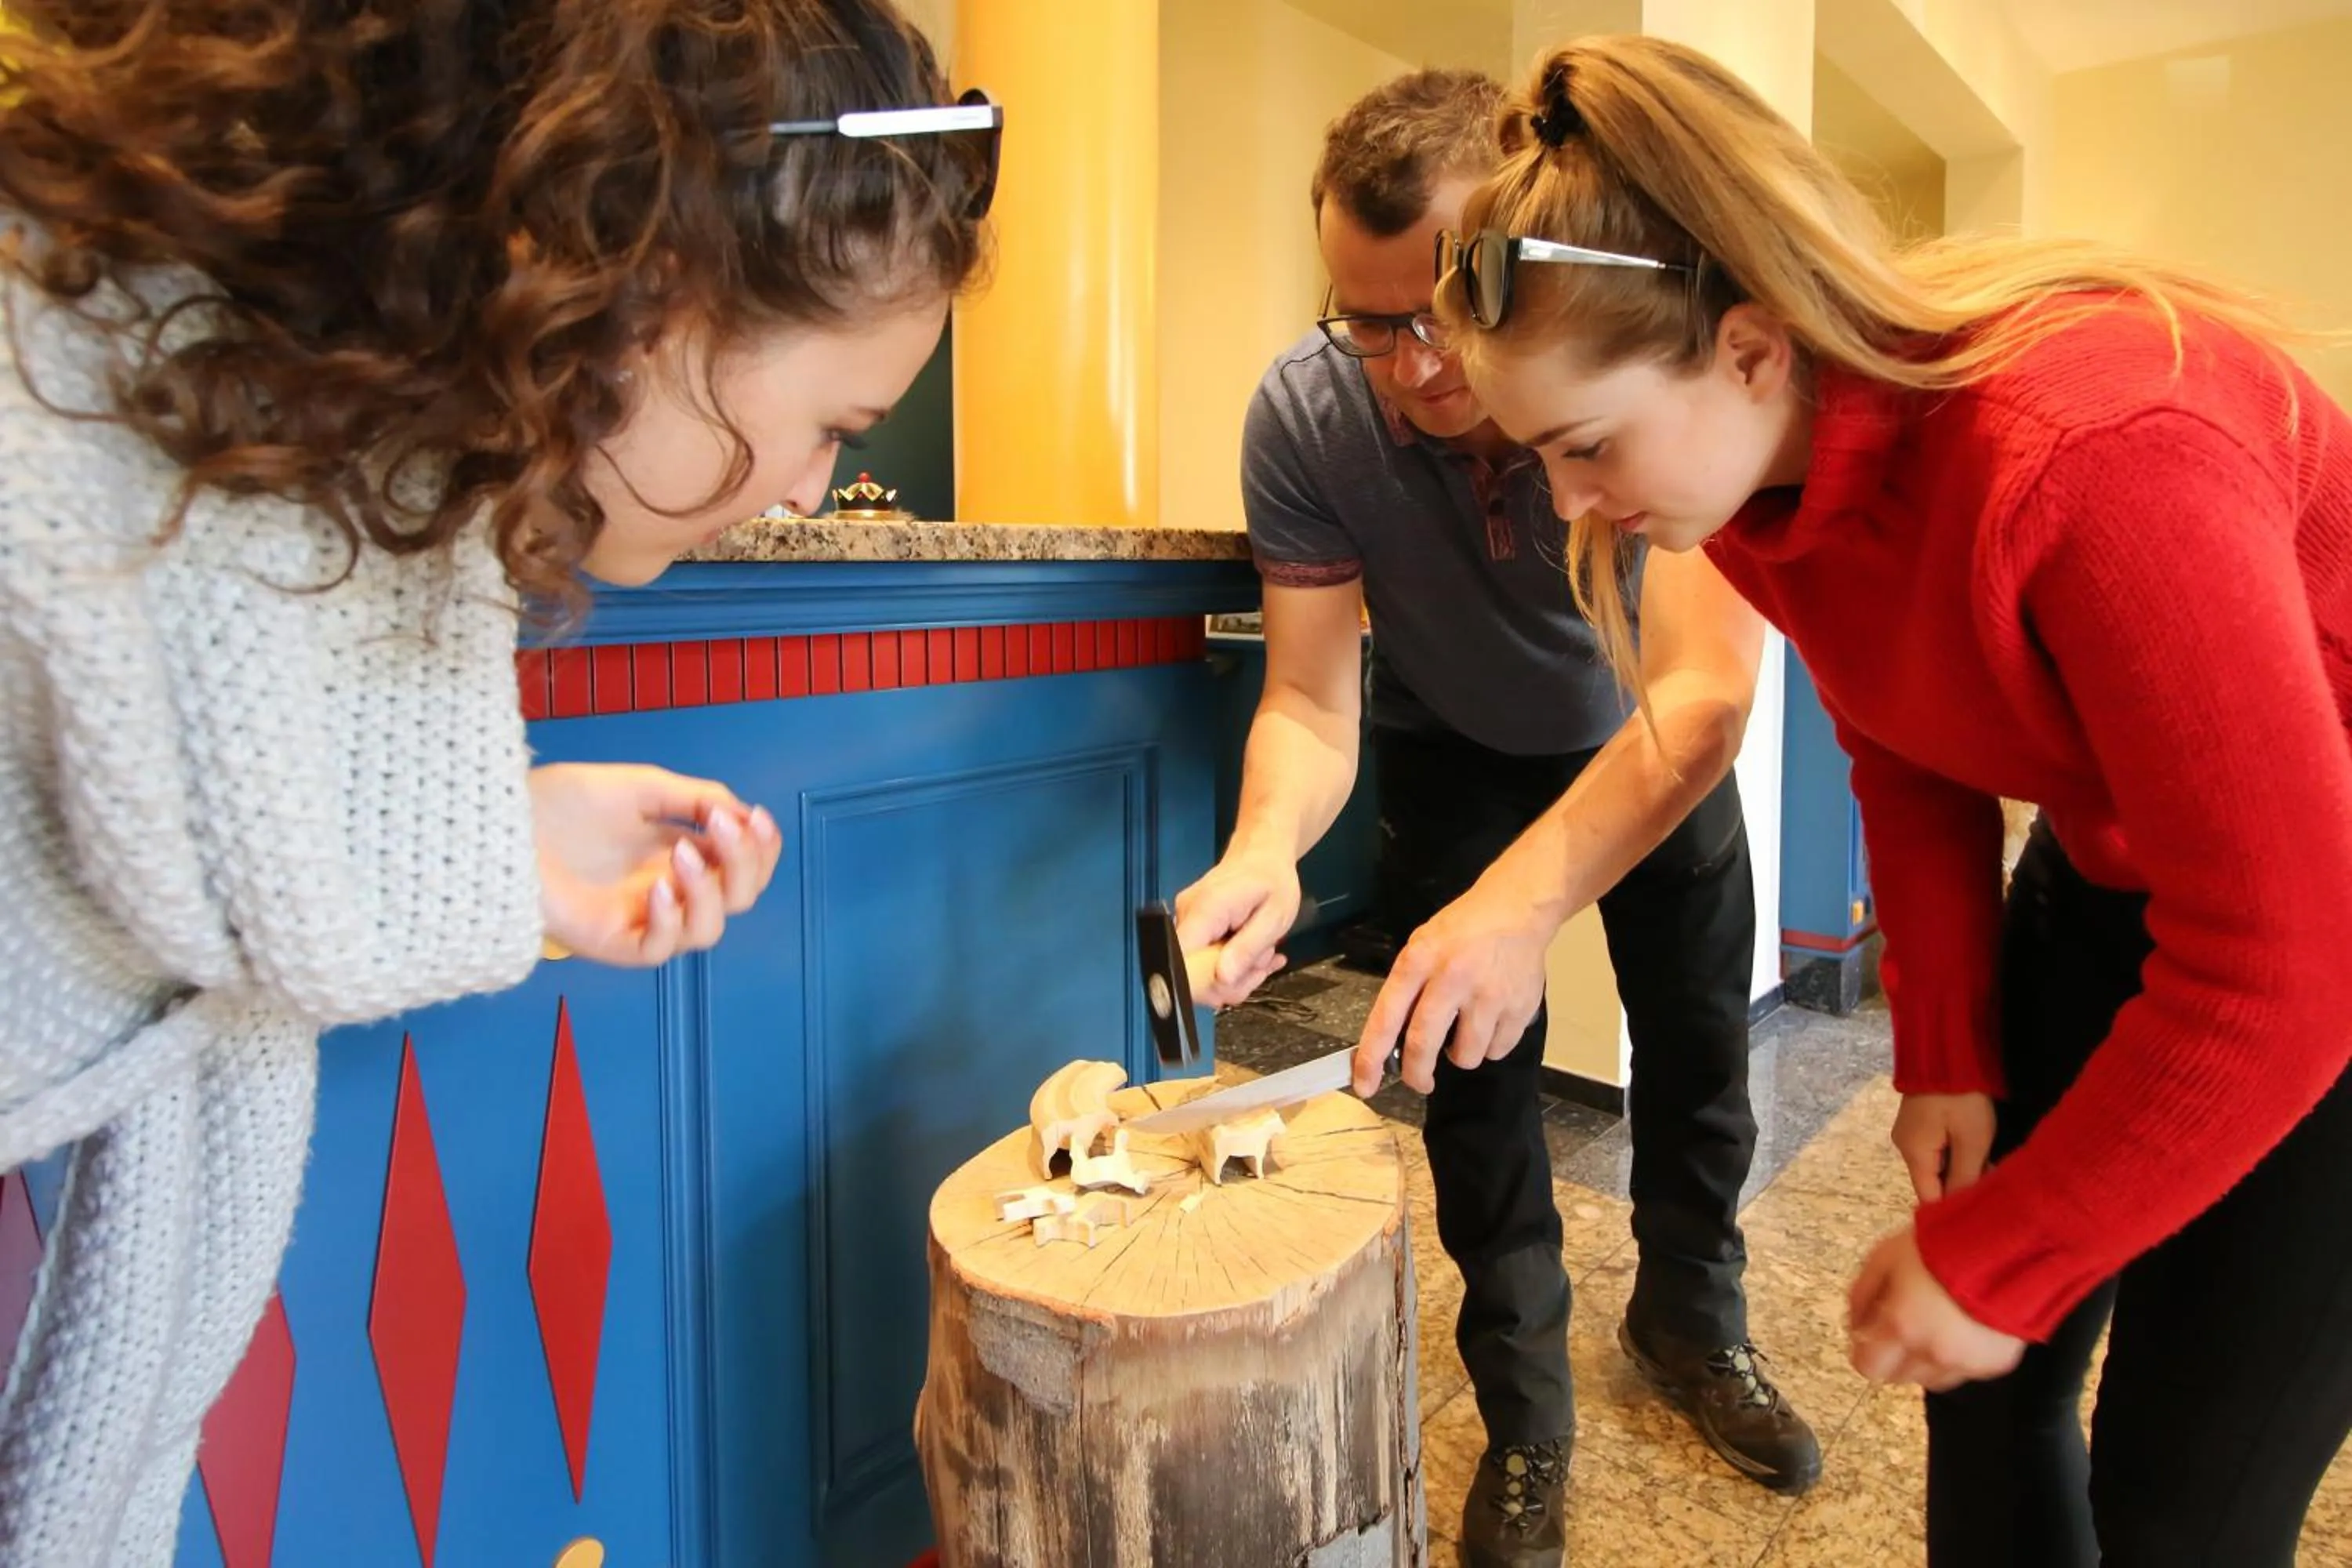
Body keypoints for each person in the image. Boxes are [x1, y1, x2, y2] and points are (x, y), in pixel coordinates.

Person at [0, 2, 996, 1562]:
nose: (813, 492)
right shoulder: (46, 437)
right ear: (658, 289)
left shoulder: (318, 425)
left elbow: (204, 824)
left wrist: (514, 829)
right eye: (829, 427)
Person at [1441, 34, 2352, 1568]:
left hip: (2319, 942)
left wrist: (2007, 1252)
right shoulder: (1751, 494)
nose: (1573, 505)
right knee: (1986, 1402)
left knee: (2179, 1494)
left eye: (1585, 447)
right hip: (2111, 875)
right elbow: (1904, 742)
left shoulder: (2101, 450)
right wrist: (1947, 1049)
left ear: (1747, 349)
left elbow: (2288, 963)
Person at [1174, 70, 1820, 1567]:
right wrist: (1265, 849)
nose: (1413, 367)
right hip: (1454, 748)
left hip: (1644, 751)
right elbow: (1314, 703)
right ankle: (1526, 1413)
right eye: (1366, 319)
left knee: (1701, 1054)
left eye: (1441, 309)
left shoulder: (1635, 358)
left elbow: (1704, 699)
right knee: (1472, 1098)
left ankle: (1691, 1324)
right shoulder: (1308, 416)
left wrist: (1536, 901)